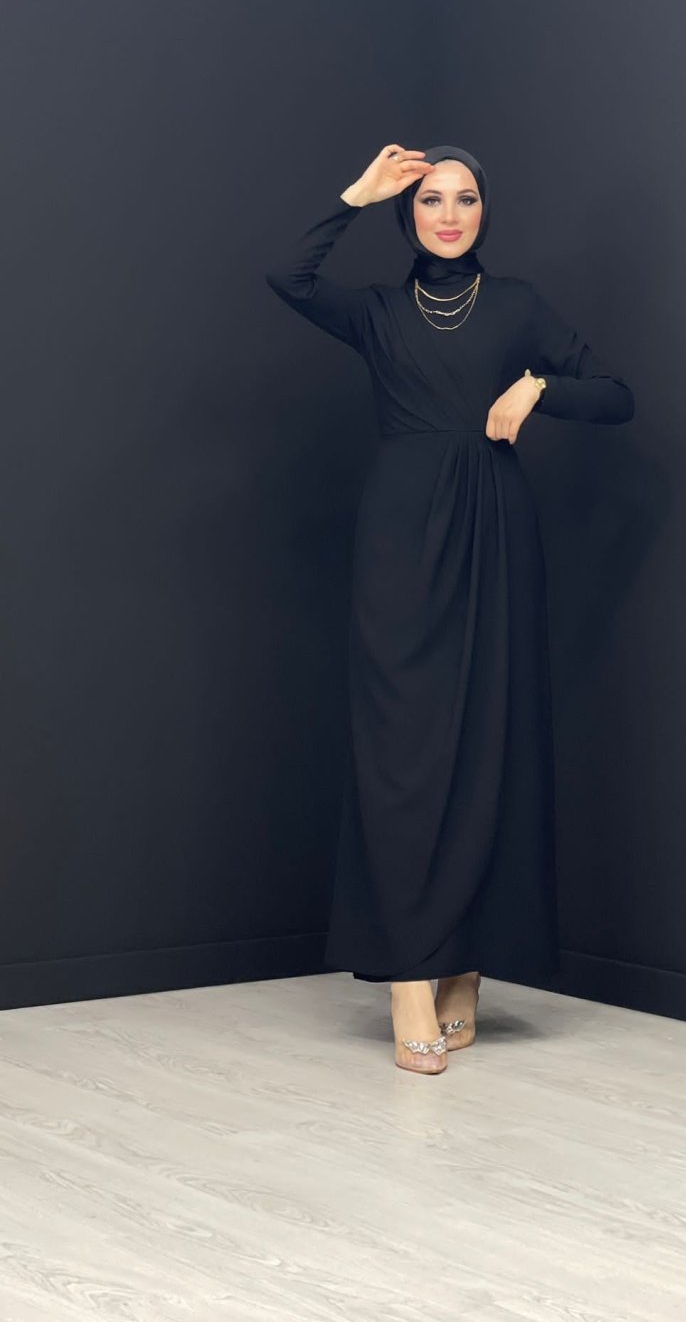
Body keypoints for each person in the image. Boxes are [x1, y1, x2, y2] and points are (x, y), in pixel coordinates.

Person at [265, 143, 634, 1074]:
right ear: (409, 212)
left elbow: (617, 395)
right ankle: (406, 976)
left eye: (465, 198)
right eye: (431, 199)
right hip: (401, 533)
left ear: (483, 211)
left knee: (492, 740)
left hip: (499, 531)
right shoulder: (378, 311)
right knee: (404, 746)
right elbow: (286, 275)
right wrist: (357, 194)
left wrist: (539, 386)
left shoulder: (515, 304)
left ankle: (468, 960)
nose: (449, 214)